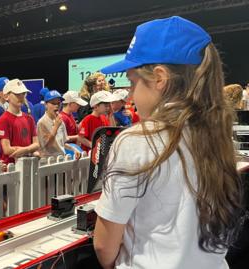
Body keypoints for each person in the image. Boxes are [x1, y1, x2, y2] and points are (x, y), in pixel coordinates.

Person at [93, 16, 245, 269]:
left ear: (160, 78)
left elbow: (104, 245)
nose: (131, 96)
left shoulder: (136, 140)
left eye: (132, 83)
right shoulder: (219, 135)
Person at [0, 79, 40, 164]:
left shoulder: (29, 118)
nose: (21, 97)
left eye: (23, 94)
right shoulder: (3, 119)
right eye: (17, 94)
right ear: (6, 96)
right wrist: (29, 150)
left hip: (28, 165)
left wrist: (24, 150)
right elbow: (7, 149)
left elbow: (37, 144)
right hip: (11, 168)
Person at [37, 90, 81, 159]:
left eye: (58, 103)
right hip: (48, 161)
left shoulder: (60, 121)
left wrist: (74, 149)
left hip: (60, 159)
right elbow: (46, 145)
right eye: (53, 103)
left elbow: (62, 143)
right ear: (45, 105)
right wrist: (56, 127)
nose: (57, 106)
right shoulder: (42, 122)